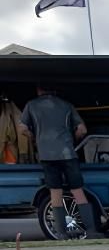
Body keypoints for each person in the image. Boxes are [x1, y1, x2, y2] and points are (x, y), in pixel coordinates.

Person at [19, 85, 99, 238]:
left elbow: (22, 128)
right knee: (77, 190)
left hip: (47, 155)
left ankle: (61, 232)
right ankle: (91, 230)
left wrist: (36, 139)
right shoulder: (66, 105)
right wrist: (71, 140)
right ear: (55, 90)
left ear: (38, 90)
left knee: (55, 192)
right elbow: (82, 129)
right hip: (68, 153)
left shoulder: (31, 105)